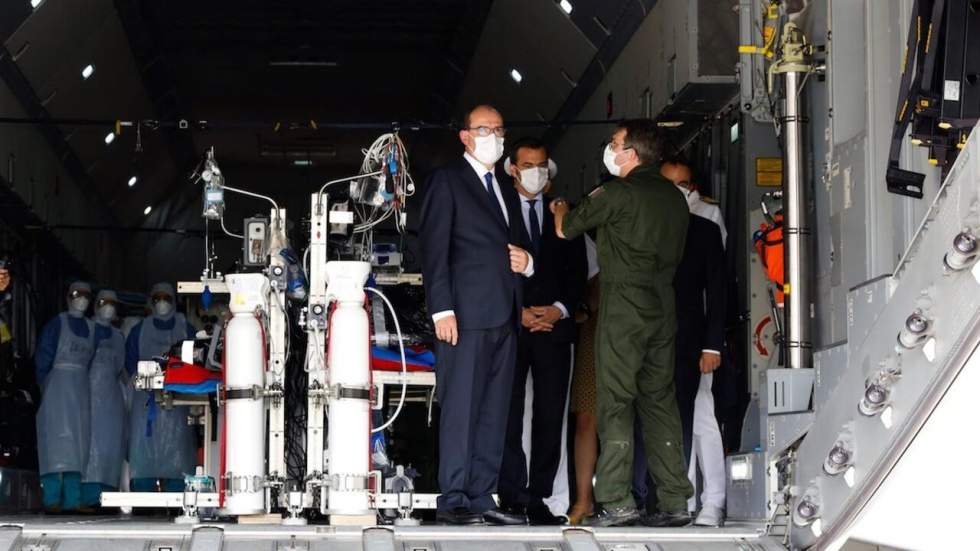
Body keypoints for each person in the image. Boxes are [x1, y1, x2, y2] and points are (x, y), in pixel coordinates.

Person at [550, 119, 694, 527]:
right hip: (662, 307)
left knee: (615, 401)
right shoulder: (674, 199)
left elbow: (566, 230)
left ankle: (616, 500)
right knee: (660, 402)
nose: (609, 149)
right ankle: (675, 501)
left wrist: (561, 207)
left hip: (623, 309)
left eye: (614, 143)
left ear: (631, 154)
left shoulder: (616, 193)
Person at [419, 104, 535, 525]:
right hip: (463, 316)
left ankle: (482, 496)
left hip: (504, 315)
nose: (494, 137)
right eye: (485, 129)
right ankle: (453, 498)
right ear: (465, 136)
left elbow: (517, 246)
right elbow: (434, 250)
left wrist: (529, 263)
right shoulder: (447, 182)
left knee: (494, 410)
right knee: (461, 408)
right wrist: (442, 310)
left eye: (499, 129)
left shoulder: (505, 187)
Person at [498, 138, 587, 525]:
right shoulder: (497, 209)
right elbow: (489, 269)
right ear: (513, 169)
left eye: (541, 164)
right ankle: (512, 494)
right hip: (511, 327)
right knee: (509, 412)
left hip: (555, 328)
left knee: (551, 415)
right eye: (528, 164)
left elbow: (578, 273)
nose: (535, 171)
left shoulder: (565, 215)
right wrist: (517, 312)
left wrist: (558, 309)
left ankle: (541, 498)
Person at [633, 213, 728, 526]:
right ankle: (681, 501)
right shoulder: (645, 223)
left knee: (698, 419)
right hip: (653, 345)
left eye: (683, 185)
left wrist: (712, 345)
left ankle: (703, 501)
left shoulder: (704, 229)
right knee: (679, 421)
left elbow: (717, 289)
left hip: (692, 346)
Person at [126, 282, 197, 493]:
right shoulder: (139, 330)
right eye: (157, 298)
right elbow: (130, 363)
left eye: (166, 298)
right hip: (145, 400)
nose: (162, 303)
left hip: (178, 398)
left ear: (174, 301)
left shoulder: (186, 328)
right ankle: (142, 494)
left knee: (178, 447)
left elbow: (196, 359)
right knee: (143, 448)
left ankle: (177, 493)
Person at [35, 280, 96, 512]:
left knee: (78, 444)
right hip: (57, 388)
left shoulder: (91, 329)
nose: (81, 298)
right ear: (68, 297)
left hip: (80, 389)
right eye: (76, 294)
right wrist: (44, 385)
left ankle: (73, 499)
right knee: (54, 443)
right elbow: (43, 356)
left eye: (85, 295)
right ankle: (52, 499)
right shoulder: (56, 324)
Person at [81, 290, 128, 508]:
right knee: (88, 448)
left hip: (111, 400)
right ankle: (86, 495)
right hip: (86, 395)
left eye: (112, 303)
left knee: (110, 448)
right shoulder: (84, 329)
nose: (108, 307)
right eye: (103, 302)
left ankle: (107, 494)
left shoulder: (118, 336)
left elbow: (123, 368)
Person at [568, 236, 601, 525]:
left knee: (627, 417)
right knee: (586, 417)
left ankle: (625, 497)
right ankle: (583, 500)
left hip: (635, 328)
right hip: (595, 329)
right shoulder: (587, 238)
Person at [660, 159, 727, 247]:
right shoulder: (647, 208)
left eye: (682, 185)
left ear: (691, 187)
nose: (674, 189)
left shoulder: (709, 212)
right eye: (668, 183)